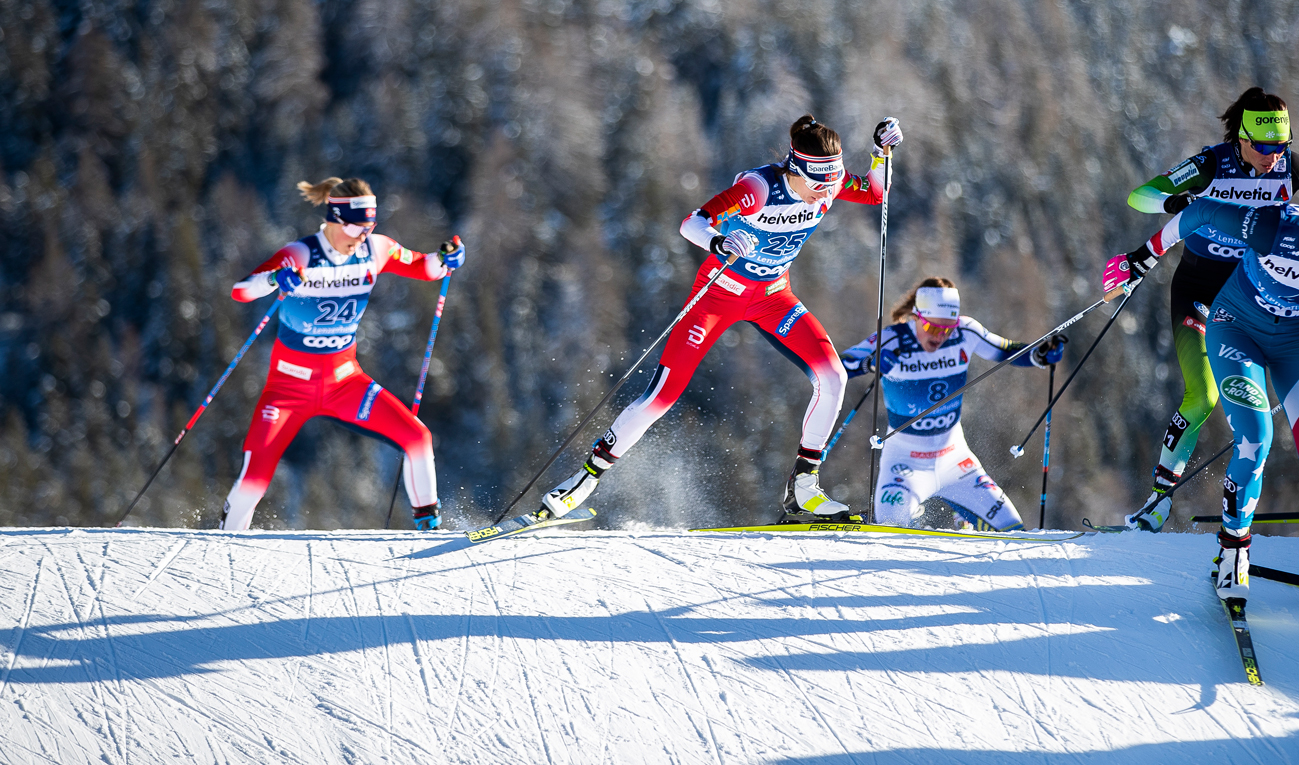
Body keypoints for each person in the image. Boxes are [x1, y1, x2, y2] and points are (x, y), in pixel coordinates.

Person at [538, 114, 903, 522]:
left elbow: (875, 194)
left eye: (831, 185)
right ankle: (584, 480)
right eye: (818, 185)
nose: (824, 196)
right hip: (718, 296)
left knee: (833, 378)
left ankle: (803, 489)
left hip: (773, 298)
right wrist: (721, 240)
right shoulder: (758, 189)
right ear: (795, 169)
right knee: (662, 395)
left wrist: (880, 153)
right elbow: (691, 223)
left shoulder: (828, 183)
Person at [1106, 162, 1299, 601]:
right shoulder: (1272, 227)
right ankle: (1232, 552)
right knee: (1256, 437)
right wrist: (1144, 255)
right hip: (1235, 328)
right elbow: (1201, 213)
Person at [1122, 87, 1299, 531]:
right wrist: (1173, 201)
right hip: (1199, 288)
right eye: (1263, 146)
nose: (1273, 157)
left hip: (1253, 295)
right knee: (1203, 396)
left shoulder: (1295, 167)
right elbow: (1140, 196)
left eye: (1281, 146)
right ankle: (1158, 498)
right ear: (1241, 138)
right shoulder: (1212, 163)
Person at [219, 177, 465, 531]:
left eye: (370, 227)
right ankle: (227, 540)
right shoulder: (301, 253)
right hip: (289, 388)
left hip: (345, 382)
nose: (362, 235)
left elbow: (424, 266)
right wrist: (274, 280)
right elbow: (241, 291)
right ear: (334, 219)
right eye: (355, 227)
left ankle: (428, 527)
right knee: (255, 477)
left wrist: (446, 258)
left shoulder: (375, 250)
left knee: (418, 437)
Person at [839, 277, 1065, 531]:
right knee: (891, 532)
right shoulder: (892, 339)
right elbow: (839, 365)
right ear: (917, 316)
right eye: (934, 329)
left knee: (1012, 529)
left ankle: (963, 520)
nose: (941, 337)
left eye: (948, 329)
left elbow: (1006, 350)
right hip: (904, 463)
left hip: (956, 460)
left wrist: (1038, 354)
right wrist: (870, 363)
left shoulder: (966, 332)